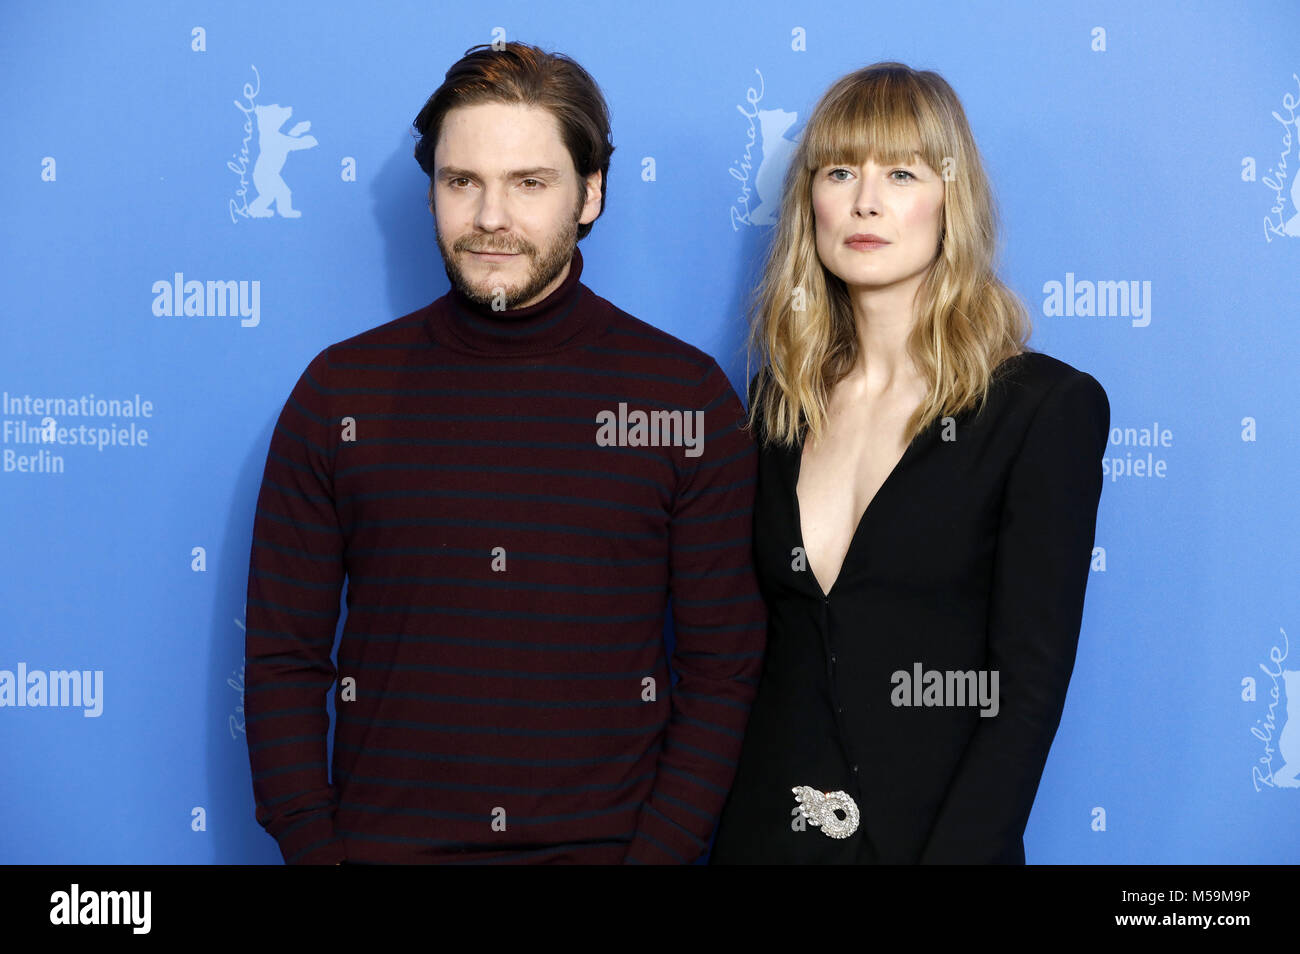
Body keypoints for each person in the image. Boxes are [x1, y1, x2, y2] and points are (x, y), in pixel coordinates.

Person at [242, 41, 766, 864]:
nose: (491, 217)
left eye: (529, 182)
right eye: (463, 182)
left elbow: (723, 670)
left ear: (589, 194)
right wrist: (315, 847)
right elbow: (283, 658)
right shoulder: (340, 393)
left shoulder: (683, 399)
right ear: (432, 194)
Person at [709, 62, 1109, 864]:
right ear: (810, 203)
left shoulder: (1042, 409)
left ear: (950, 200)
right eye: (839, 171)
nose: (865, 200)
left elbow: (1025, 694)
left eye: (900, 172)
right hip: (764, 839)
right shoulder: (772, 407)